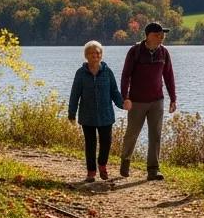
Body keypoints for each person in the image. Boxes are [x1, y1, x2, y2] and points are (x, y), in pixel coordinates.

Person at [119, 22, 177, 180]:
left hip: (157, 101)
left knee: (155, 135)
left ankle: (153, 170)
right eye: (158, 34)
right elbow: (125, 76)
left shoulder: (164, 53)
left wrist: (173, 98)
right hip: (136, 101)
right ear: (149, 35)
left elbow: (169, 76)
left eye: (162, 35)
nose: (161, 37)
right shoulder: (135, 51)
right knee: (132, 133)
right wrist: (125, 97)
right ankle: (125, 160)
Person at [68, 40, 124, 182]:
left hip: (106, 115)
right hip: (87, 116)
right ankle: (91, 172)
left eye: (98, 53)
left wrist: (123, 104)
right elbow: (75, 94)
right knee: (90, 145)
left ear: (101, 55)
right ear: (86, 56)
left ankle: (102, 165)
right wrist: (71, 113)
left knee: (106, 143)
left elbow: (114, 92)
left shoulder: (108, 72)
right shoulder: (81, 73)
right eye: (92, 53)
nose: (95, 55)